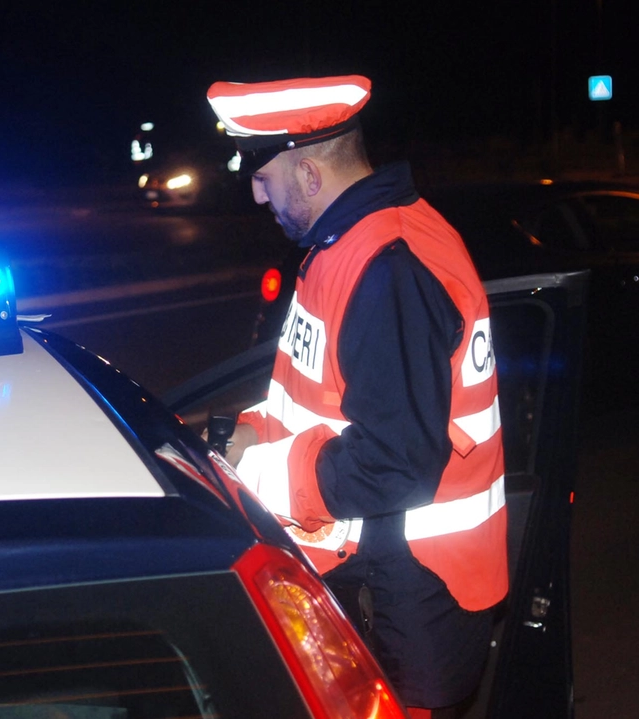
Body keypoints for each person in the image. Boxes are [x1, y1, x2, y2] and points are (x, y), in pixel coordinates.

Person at [206, 75, 507, 718]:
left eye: (265, 176)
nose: (258, 195)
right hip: (378, 585)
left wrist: (261, 470)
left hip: (408, 606)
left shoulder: (385, 265)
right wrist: (239, 433)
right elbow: (319, 399)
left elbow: (394, 463)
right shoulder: (346, 246)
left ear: (310, 174)